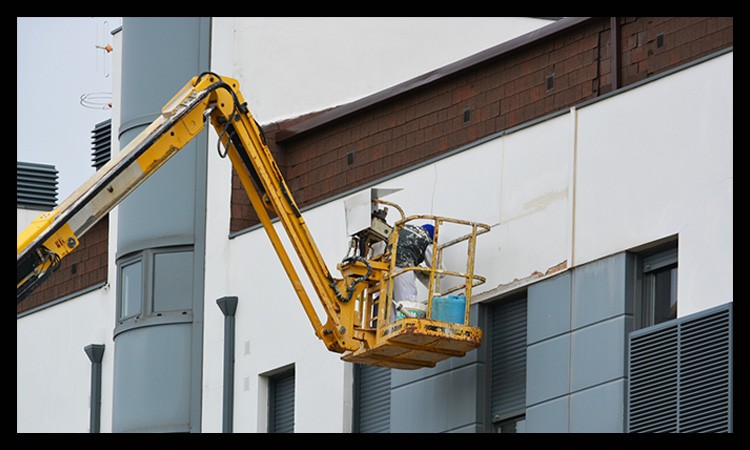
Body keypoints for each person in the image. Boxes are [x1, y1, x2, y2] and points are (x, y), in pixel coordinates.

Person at [391, 223, 435, 319]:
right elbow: (436, 266)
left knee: (390, 302)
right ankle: (407, 326)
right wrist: (422, 270)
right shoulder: (426, 239)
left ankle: (390, 327)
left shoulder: (406, 229)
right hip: (402, 267)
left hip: (385, 265)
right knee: (407, 302)